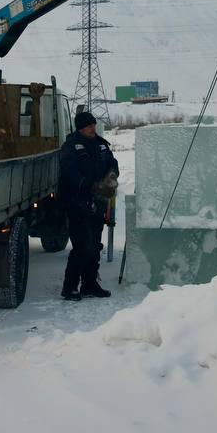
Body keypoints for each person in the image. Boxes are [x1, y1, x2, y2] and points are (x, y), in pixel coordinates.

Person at [59, 111, 119, 301]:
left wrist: (111, 176)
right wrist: (91, 185)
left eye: (93, 124)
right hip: (78, 202)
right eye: (88, 126)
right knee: (82, 246)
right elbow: (69, 174)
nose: (93, 128)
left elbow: (113, 163)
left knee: (94, 245)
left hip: (98, 203)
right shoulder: (71, 146)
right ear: (80, 128)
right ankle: (69, 288)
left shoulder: (101, 144)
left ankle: (89, 285)